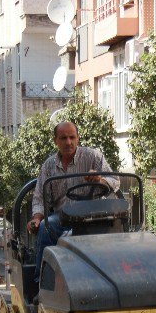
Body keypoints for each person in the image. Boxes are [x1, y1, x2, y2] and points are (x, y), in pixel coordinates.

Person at [28, 121, 117, 283]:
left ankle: (112, 277)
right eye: (63, 138)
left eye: (72, 137)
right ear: (55, 141)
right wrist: (37, 217)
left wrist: (100, 179)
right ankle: (42, 282)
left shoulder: (93, 157)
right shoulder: (49, 166)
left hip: (93, 215)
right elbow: (40, 197)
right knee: (44, 228)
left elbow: (115, 181)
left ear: (78, 138)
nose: (68, 142)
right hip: (62, 218)